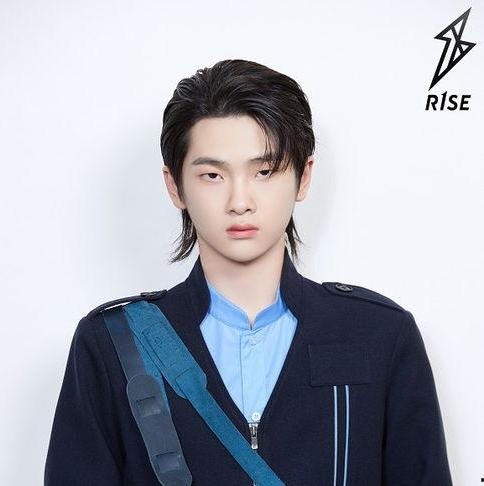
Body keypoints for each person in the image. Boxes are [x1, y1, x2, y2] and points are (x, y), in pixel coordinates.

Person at [44, 59, 453, 485]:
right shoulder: (112, 342)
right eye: (212, 175)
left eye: (264, 171)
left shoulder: (380, 333)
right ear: (174, 185)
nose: (240, 201)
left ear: (304, 176)